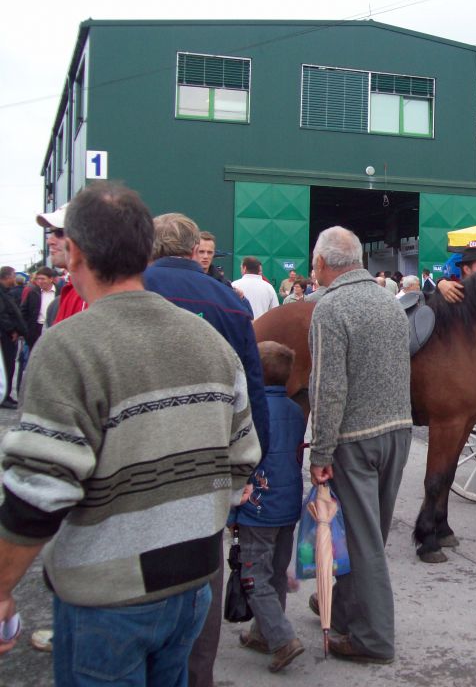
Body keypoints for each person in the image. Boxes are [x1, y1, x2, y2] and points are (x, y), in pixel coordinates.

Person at [0, 181, 261, 683]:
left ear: (73, 252)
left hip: (108, 599)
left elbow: (39, 491)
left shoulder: (68, 346)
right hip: (191, 586)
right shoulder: (208, 338)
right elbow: (243, 456)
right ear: (146, 251)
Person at [142, 212, 272, 687]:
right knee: (204, 563)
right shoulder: (229, 300)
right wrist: (259, 460)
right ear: (194, 248)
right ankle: (198, 674)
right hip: (212, 455)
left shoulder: (132, 288)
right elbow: (253, 387)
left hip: (141, 452)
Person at [308, 226, 412, 664]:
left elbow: (329, 388)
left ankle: (373, 640)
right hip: (398, 431)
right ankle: (349, 611)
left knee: (362, 541)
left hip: (356, 439)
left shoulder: (329, 309)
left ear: (322, 264)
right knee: (371, 535)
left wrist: (320, 452)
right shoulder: (390, 304)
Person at [234, 341, 306, 672]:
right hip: (287, 504)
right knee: (276, 572)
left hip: (257, 507)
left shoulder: (250, 411)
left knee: (253, 576)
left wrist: (233, 510)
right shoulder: (294, 410)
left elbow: (242, 462)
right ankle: (262, 633)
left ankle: (281, 638)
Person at [37, 205, 87, 324]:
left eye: (59, 232)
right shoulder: (65, 296)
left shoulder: (98, 295)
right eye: (51, 232)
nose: (49, 241)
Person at [0, 267, 28, 409]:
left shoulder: (6, 292)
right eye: (13, 276)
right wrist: (12, 330)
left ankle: (6, 395)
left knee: (8, 366)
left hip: (7, 335)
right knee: (6, 367)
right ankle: (3, 396)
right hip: (5, 337)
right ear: (7, 277)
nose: (14, 279)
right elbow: (3, 315)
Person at [21, 266, 57, 348]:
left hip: (54, 328)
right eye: (38, 279)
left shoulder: (60, 291)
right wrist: (27, 331)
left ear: (51, 279)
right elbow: (24, 311)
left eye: (43, 279)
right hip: (37, 329)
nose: (40, 281)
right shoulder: (33, 292)